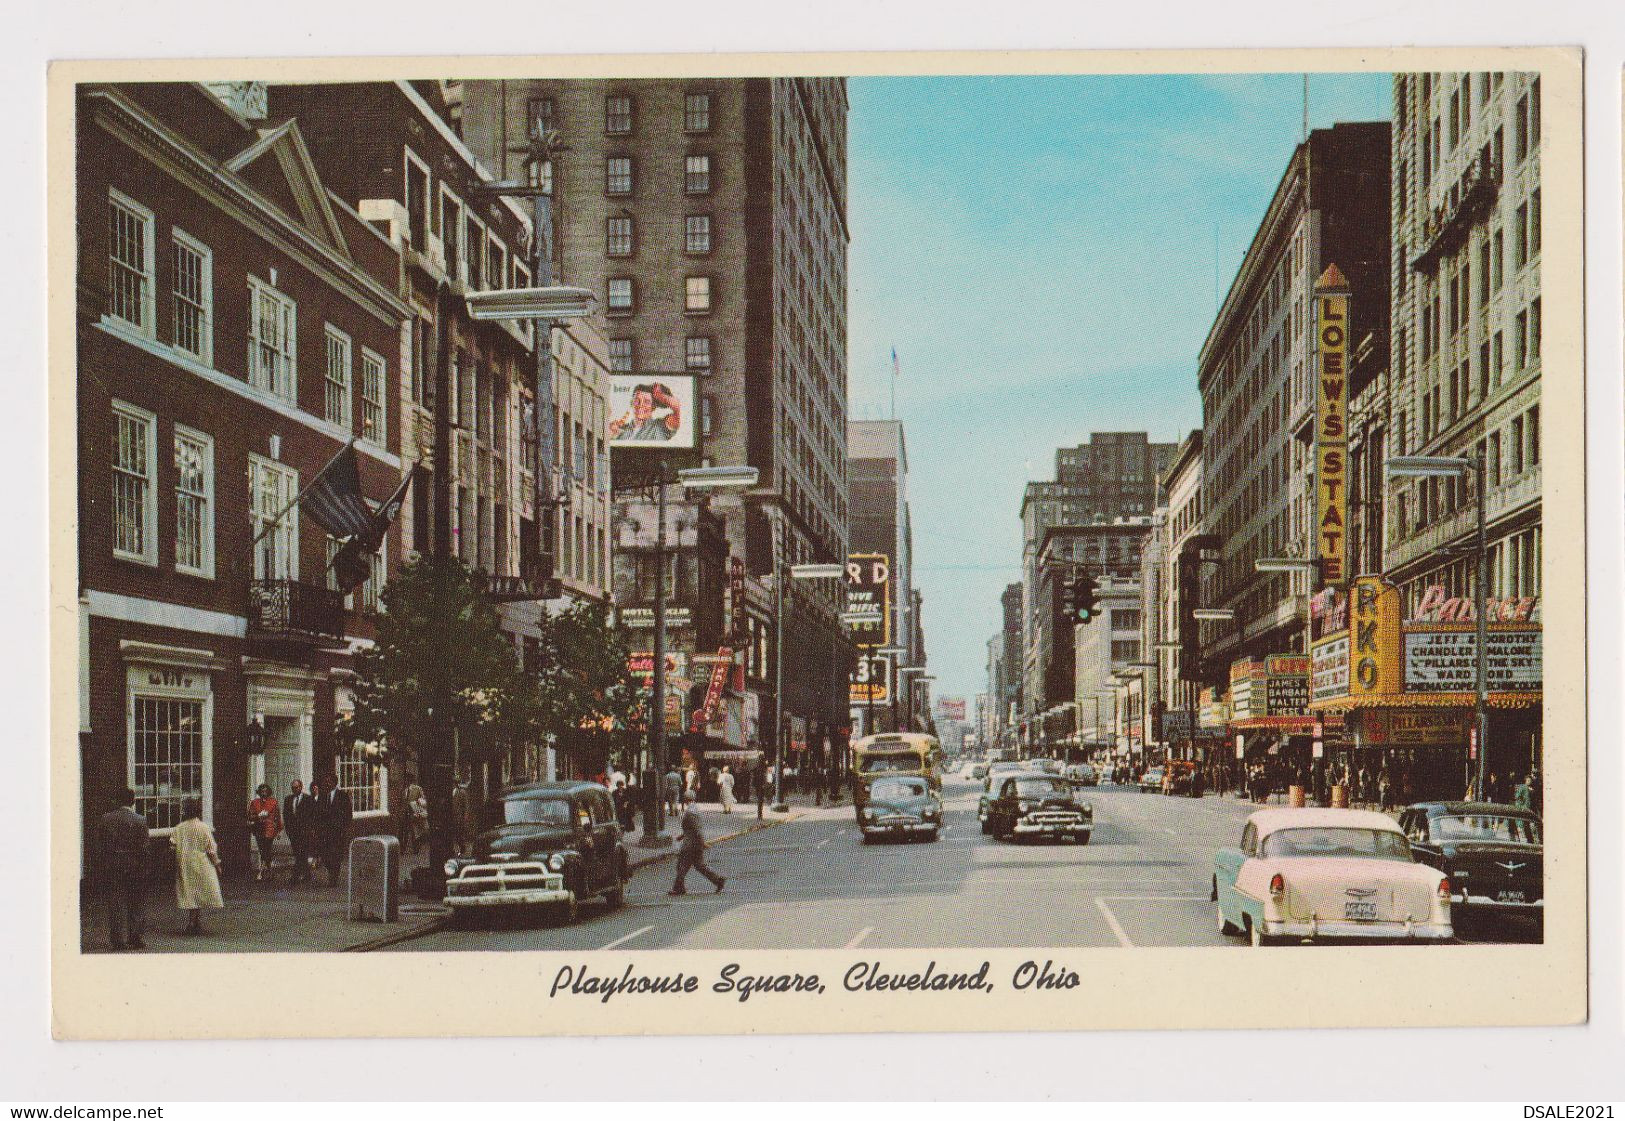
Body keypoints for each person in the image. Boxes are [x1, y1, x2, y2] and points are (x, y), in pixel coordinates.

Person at [94, 788, 150, 951]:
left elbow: (99, 845)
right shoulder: (140, 820)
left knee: (116, 902)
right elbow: (145, 847)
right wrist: (145, 866)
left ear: (117, 800)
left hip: (113, 864)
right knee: (137, 902)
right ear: (132, 801)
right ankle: (135, 937)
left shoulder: (106, 819)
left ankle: (118, 939)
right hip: (134, 864)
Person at [172, 798, 224, 935]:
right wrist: (217, 864)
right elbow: (210, 848)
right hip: (201, 862)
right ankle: (193, 922)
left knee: (190, 890)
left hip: (184, 862)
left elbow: (172, 845)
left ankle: (194, 920)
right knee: (199, 889)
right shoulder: (203, 827)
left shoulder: (179, 828)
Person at [668, 792, 724, 895]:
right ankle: (718, 880)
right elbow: (692, 828)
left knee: (681, 865)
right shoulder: (695, 809)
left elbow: (696, 829)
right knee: (700, 866)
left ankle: (678, 888)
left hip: (690, 844)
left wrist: (702, 842)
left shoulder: (690, 812)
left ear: (685, 799)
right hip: (694, 843)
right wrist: (682, 836)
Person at [608, 382, 682, 442]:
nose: (641, 405)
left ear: (653, 407)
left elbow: (677, 407)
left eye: (646, 401)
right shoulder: (621, 429)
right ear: (632, 403)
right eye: (637, 400)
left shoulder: (660, 427)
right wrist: (610, 434)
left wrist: (660, 396)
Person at [314, 773, 353, 887]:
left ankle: (333, 877)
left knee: (335, 855)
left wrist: (344, 828)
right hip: (324, 832)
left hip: (337, 831)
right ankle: (331, 871)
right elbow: (318, 813)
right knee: (325, 855)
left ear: (334, 783)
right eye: (325, 781)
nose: (326, 783)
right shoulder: (322, 796)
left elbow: (348, 813)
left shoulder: (342, 795)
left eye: (328, 781)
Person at [246, 783, 281, 882]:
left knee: (266, 849)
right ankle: (269, 870)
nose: (264, 793)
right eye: (262, 791)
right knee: (263, 850)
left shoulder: (273, 802)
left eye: (265, 791)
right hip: (258, 829)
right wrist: (257, 817)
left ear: (268, 792)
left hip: (269, 829)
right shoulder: (255, 802)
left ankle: (261, 871)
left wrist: (278, 830)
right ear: (259, 792)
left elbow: (277, 817)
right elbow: (250, 815)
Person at [283, 779, 315, 883]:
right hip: (293, 832)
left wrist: (310, 829)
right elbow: (286, 815)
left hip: (305, 831)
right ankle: (307, 875)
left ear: (301, 787)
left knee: (303, 853)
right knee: (298, 853)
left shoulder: (308, 799)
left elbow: (312, 815)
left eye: (296, 787)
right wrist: (288, 830)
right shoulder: (288, 799)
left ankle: (295, 876)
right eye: (293, 788)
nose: (295, 789)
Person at [399, 774, 425, 854]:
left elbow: (422, 800)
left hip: (414, 813)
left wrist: (417, 806)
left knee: (415, 832)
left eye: (407, 780)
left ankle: (416, 849)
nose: (406, 782)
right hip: (404, 814)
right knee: (404, 832)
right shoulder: (403, 790)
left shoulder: (418, 789)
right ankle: (402, 849)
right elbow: (401, 802)